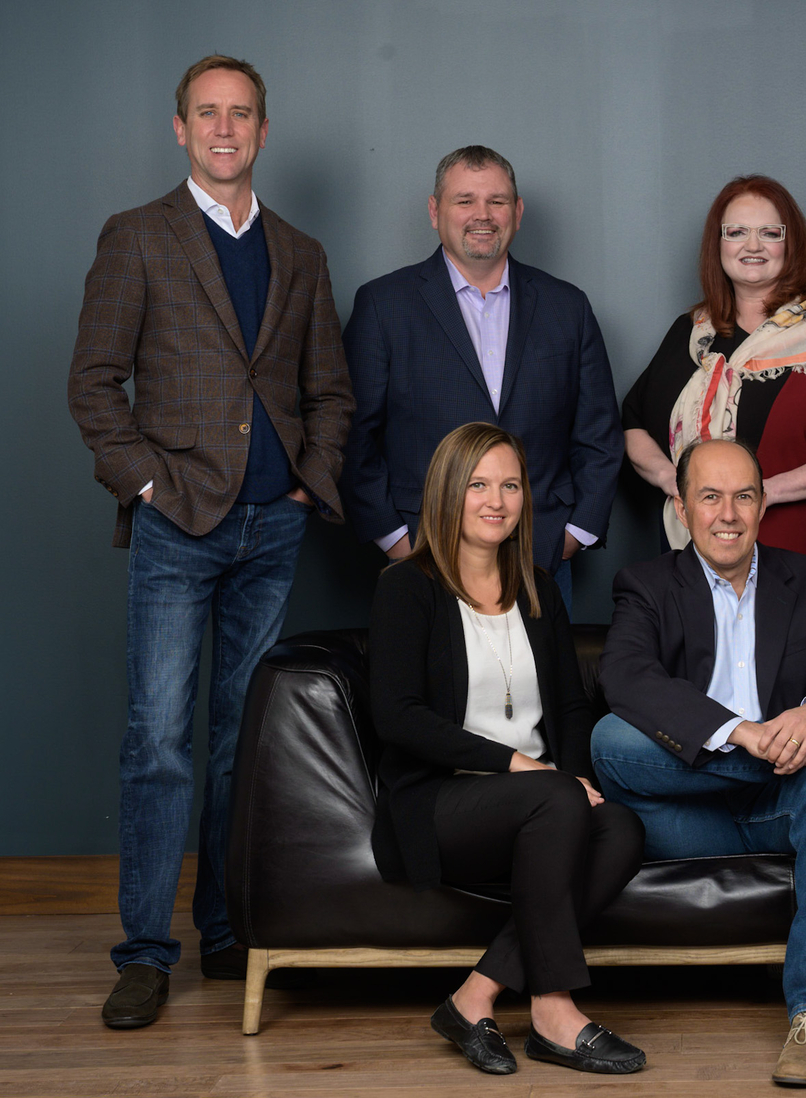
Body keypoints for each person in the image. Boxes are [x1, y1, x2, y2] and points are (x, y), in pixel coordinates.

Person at [66, 55, 354, 1029]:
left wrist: (310, 482)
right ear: (181, 128)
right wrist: (147, 484)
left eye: (241, 114)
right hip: (177, 524)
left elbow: (329, 389)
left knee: (242, 740)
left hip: (274, 527)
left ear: (263, 131)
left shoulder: (301, 253)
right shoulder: (137, 237)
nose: (225, 129)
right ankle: (147, 954)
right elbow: (93, 383)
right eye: (207, 113)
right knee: (158, 740)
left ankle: (225, 931)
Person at [591, 438, 806, 1086]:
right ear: (682, 508)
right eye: (710, 497)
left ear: (762, 505)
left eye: (743, 497)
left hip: (788, 805)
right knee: (611, 739)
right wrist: (744, 734)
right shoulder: (646, 585)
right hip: (680, 814)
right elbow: (626, 677)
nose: (727, 514)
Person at [368, 422, 646, 1076]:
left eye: (511, 485)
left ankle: (476, 995)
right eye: (479, 485)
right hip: (441, 801)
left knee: (622, 828)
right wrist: (522, 766)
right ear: (447, 492)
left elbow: (571, 708)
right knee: (554, 798)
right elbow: (398, 717)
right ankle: (553, 1009)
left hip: (538, 801)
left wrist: (572, 778)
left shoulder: (538, 588)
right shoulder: (406, 587)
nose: (497, 501)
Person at [340, 145, 622, 608]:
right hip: (424, 553)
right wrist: (396, 541)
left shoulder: (567, 307)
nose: (482, 215)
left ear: (518, 212)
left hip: (541, 555)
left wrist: (573, 535)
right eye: (465, 200)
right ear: (435, 211)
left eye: (497, 201)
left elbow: (600, 434)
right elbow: (353, 437)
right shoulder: (383, 305)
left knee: (541, 661)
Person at [621, 175, 806, 558]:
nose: (752, 245)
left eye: (769, 232)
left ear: (791, 244)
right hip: (686, 547)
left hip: (783, 549)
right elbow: (633, 420)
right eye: (736, 232)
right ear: (718, 245)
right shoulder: (692, 331)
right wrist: (674, 481)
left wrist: (763, 493)